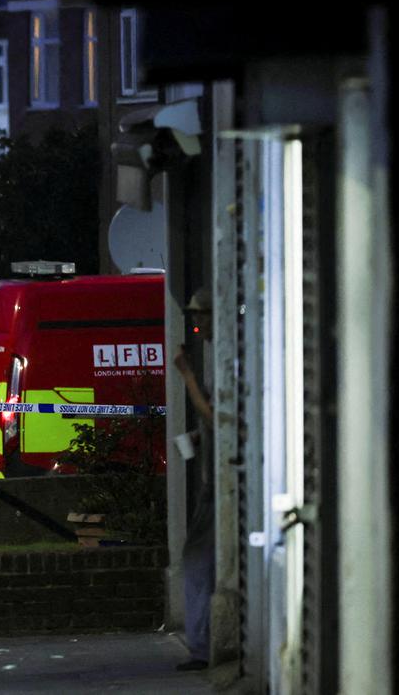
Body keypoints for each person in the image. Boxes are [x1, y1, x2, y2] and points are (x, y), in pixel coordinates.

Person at [173, 287, 215, 672]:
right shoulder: (222, 357)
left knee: (196, 561)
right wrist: (198, 438)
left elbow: (218, 417)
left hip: (219, 485)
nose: (197, 323)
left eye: (200, 314)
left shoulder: (227, 360)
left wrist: (187, 376)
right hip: (213, 481)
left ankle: (202, 646)